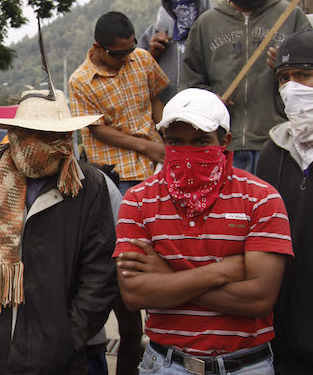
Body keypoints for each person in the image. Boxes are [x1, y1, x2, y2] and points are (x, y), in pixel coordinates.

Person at [115, 88, 293, 374]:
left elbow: (259, 299)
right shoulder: (138, 199)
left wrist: (168, 279)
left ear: (225, 141)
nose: (187, 153)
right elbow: (135, 295)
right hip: (167, 364)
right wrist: (220, 272)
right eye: (175, 142)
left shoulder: (261, 198)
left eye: (200, 142)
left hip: (246, 365)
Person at [0, 89, 117, 374]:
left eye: (56, 136)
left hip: (60, 362)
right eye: (36, 133)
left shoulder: (89, 186)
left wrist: (69, 335)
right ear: (16, 133)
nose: (50, 144)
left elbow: (100, 274)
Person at [181, 0, 313, 174]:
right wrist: (210, 100)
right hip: (222, 145)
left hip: (280, 142)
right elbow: (191, 84)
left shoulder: (291, 17)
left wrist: (284, 71)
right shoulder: (207, 24)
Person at [256, 30, 313, 373]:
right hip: (284, 337)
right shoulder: (273, 152)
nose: (292, 88)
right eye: (284, 79)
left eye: (304, 75)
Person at [69, 11, 169, 195]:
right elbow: (98, 129)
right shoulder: (80, 81)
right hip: (118, 172)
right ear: (98, 47)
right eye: (118, 54)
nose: (125, 58)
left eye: (129, 50)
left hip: (157, 163)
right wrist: (147, 147)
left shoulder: (143, 59)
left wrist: (167, 131)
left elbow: (153, 100)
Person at [138, 0, 212, 103]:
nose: (180, 0)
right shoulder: (158, 30)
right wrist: (152, 54)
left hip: (202, 111)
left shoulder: (213, 28)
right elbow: (132, 73)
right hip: (164, 111)